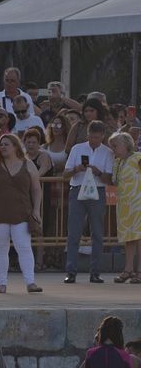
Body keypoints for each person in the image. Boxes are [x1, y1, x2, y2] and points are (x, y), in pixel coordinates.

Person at [0, 132, 43, 293]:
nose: (3, 147)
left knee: (23, 245)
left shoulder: (28, 164)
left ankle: (30, 282)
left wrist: (36, 210)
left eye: (6, 144)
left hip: (21, 212)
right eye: (1, 145)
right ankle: (2, 284)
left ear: (16, 146)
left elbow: (36, 189)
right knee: (0, 247)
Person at [64, 121, 115, 283]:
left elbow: (109, 180)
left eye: (97, 138)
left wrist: (97, 172)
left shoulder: (108, 152)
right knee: (74, 232)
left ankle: (95, 272)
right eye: (91, 137)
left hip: (98, 191)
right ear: (87, 135)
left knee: (97, 233)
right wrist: (77, 169)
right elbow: (65, 174)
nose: (94, 140)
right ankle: (71, 271)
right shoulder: (77, 149)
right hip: (77, 188)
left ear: (103, 136)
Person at [112, 131, 141, 284]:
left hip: (138, 204)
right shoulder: (118, 162)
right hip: (124, 206)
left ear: (126, 145)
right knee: (129, 238)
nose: (113, 149)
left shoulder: (138, 158)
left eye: (115, 146)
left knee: (139, 238)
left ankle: (140, 272)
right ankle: (128, 269)